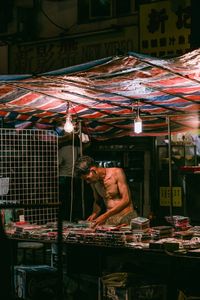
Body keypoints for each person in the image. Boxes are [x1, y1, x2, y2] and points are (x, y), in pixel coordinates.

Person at [74, 155, 137, 227]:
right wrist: (94, 213)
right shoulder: (94, 181)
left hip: (126, 216)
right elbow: (97, 200)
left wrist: (104, 216)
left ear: (93, 170)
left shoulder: (117, 172)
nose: (88, 182)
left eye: (88, 179)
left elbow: (126, 199)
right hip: (110, 218)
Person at [58, 133, 81, 221]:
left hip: (63, 177)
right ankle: (71, 217)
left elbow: (57, 164)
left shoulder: (62, 150)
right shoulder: (77, 149)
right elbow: (87, 146)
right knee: (73, 199)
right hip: (73, 177)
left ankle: (64, 217)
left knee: (63, 199)